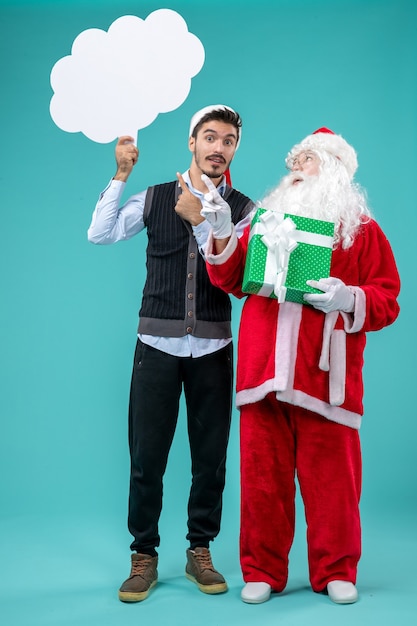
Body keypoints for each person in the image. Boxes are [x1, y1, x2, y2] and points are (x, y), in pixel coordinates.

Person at [203, 127, 400, 605]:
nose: (295, 170)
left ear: (333, 169)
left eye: (307, 160)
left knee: (333, 481)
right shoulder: (267, 222)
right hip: (263, 370)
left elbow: (387, 297)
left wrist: (348, 297)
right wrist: (224, 232)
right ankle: (263, 571)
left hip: (325, 376)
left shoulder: (362, 229)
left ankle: (336, 569)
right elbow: (231, 278)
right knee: (261, 480)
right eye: (295, 161)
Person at [87, 105, 254, 602]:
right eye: (210, 137)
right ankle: (144, 555)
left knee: (210, 459)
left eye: (227, 140)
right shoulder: (156, 196)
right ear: (192, 143)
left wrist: (203, 221)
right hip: (155, 346)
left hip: (213, 348)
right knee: (147, 457)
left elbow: (243, 272)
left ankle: (199, 549)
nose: (218, 148)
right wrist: (120, 175)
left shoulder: (245, 209)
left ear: (234, 149)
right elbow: (100, 232)